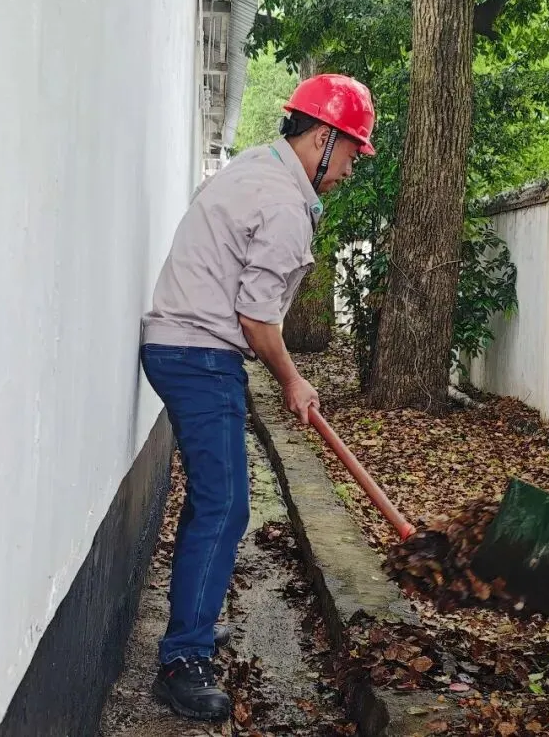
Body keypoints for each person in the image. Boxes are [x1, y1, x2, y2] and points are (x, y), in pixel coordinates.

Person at [139, 73, 376, 721]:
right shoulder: (281, 204)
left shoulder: (256, 170)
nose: (351, 170)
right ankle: (182, 661)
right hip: (199, 354)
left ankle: (194, 616)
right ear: (323, 138)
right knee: (225, 507)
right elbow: (256, 319)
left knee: (219, 503)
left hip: (188, 347)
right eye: (353, 153)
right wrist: (293, 380)